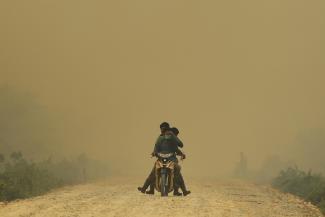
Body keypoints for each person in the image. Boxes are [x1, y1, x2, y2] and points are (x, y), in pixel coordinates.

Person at [138, 123, 190, 196]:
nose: (163, 130)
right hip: (166, 159)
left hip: (167, 159)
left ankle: (145, 188)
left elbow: (175, 148)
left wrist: (154, 153)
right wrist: (154, 153)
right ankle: (180, 191)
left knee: (154, 173)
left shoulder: (163, 137)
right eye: (162, 129)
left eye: (163, 128)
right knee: (156, 172)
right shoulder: (166, 137)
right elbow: (157, 147)